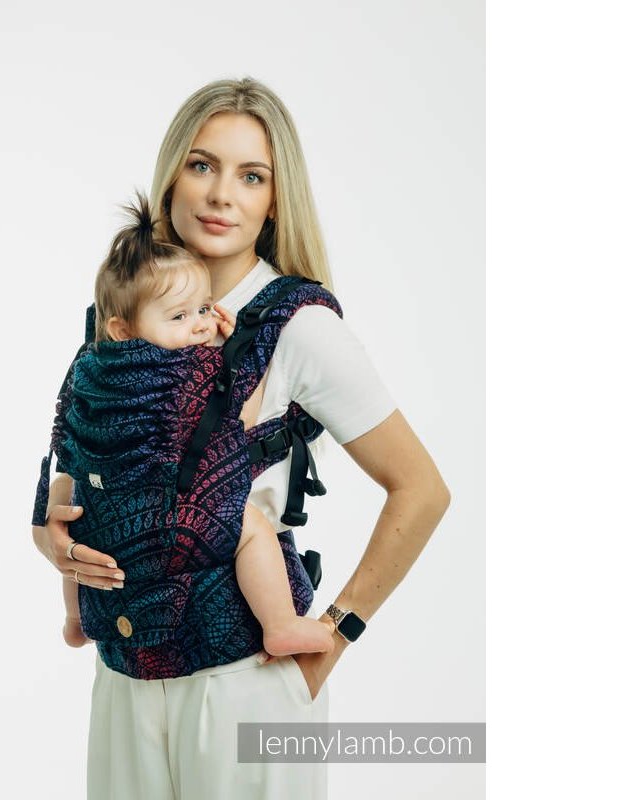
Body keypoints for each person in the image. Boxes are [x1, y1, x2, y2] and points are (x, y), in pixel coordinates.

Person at [32, 77, 451, 800]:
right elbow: (74, 454)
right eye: (202, 165)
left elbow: (421, 490)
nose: (222, 194)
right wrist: (51, 537)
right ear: (171, 178)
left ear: (275, 200)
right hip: (125, 673)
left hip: (245, 681)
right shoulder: (125, 305)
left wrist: (336, 635)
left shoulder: (300, 325)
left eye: (251, 176)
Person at [60, 193, 334, 660]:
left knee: (80, 527)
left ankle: (75, 619)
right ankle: (281, 623)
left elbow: (68, 435)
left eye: (204, 308)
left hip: (110, 513)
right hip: (173, 517)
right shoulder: (188, 369)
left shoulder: (90, 367)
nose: (199, 324)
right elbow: (237, 411)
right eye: (179, 316)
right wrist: (230, 352)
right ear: (124, 329)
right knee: (251, 526)